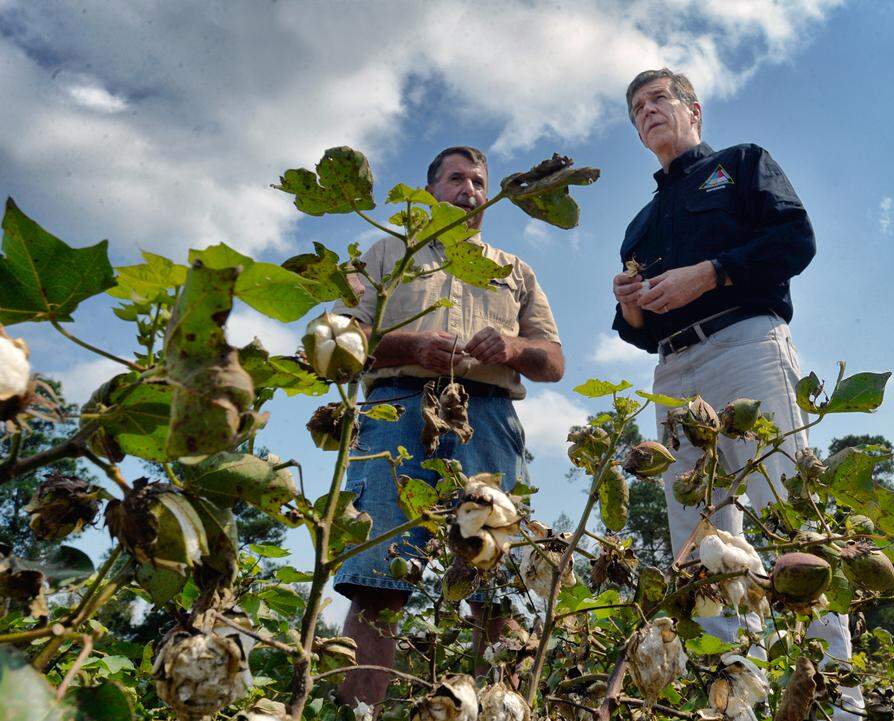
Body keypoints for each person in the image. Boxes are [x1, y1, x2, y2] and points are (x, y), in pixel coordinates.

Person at [611, 69, 863, 718]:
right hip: (672, 369)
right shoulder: (640, 225)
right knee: (698, 538)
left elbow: (795, 240)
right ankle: (735, 702)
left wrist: (711, 273)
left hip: (746, 343)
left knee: (786, 509)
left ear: (693, 108)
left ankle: (840, 700)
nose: (647, 112)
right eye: (636, 109)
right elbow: (637, 334)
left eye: (658, 100)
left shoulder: (742, 164)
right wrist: (631, 308)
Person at [331, 146, 564, 705]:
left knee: (495, 586)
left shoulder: (515, 270)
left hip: (488, 419)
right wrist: (409, 344)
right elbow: (339, 340)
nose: (470, 189)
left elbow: (553, 361)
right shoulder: (386, 253)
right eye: (456, 178)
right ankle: (356, 715)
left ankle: (500, 713)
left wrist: (511, 347)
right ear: (431, 191)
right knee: (377, 581)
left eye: (479, 182)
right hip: (397, 412)